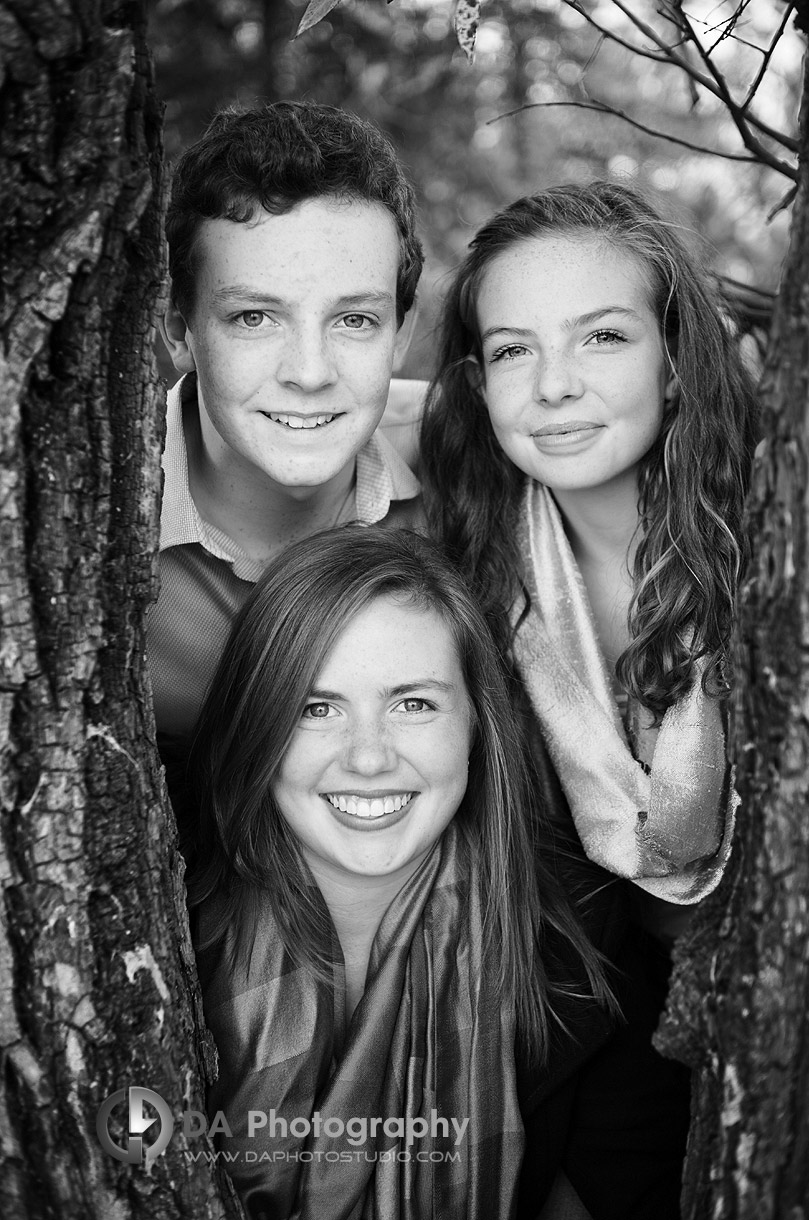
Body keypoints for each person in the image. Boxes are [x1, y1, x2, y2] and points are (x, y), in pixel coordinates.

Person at [186, 526, 689, 1220]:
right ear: (256, 723)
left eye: (412, 703)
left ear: (477, 723)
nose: (368, 758)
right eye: (316, 707)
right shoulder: (158, 917)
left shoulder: (587, 937)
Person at [420, 182, 759, 907]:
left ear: (673, 364)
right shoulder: (479, 571)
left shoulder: (773, 542)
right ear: (479, 387)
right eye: (513, 351)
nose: (552, 386)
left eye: (602, 336)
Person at [149, 100, 426, 747]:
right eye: (254, 317)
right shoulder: (74, 518)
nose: (309, 372)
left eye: (354, 320)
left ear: (400, 335)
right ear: (177, 329)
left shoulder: (470, 462)